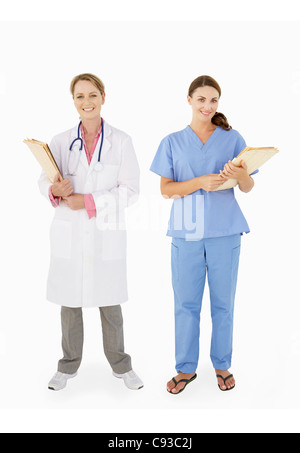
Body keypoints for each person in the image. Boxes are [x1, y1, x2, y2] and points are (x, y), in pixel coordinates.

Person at [150, 75, 257, 394]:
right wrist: (198, 182)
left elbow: (249, 187)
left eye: (213, 101)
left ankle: (222, 364)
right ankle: (185, 368)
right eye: (201, 100)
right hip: (186, 230)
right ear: (189, 100)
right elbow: (165, 189)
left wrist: (241, 176)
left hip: (226, 231)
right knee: (186, 303)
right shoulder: (171, 141)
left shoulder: (233, 138)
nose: (208, 106)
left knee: (224, 303)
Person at [38, 73, 143, 391]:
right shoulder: (58, 141)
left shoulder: (121, 141)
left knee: (110, 304)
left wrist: (89, 201)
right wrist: (55, 188)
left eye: (92, 95)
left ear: (103, 97)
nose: (87, 102)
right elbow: (43, 180)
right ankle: (67, 367)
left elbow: (131, 190)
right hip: (70, 233)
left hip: (104, 232)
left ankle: (121, 366)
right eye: (80, 96)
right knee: (69, 304)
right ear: (73, 101)